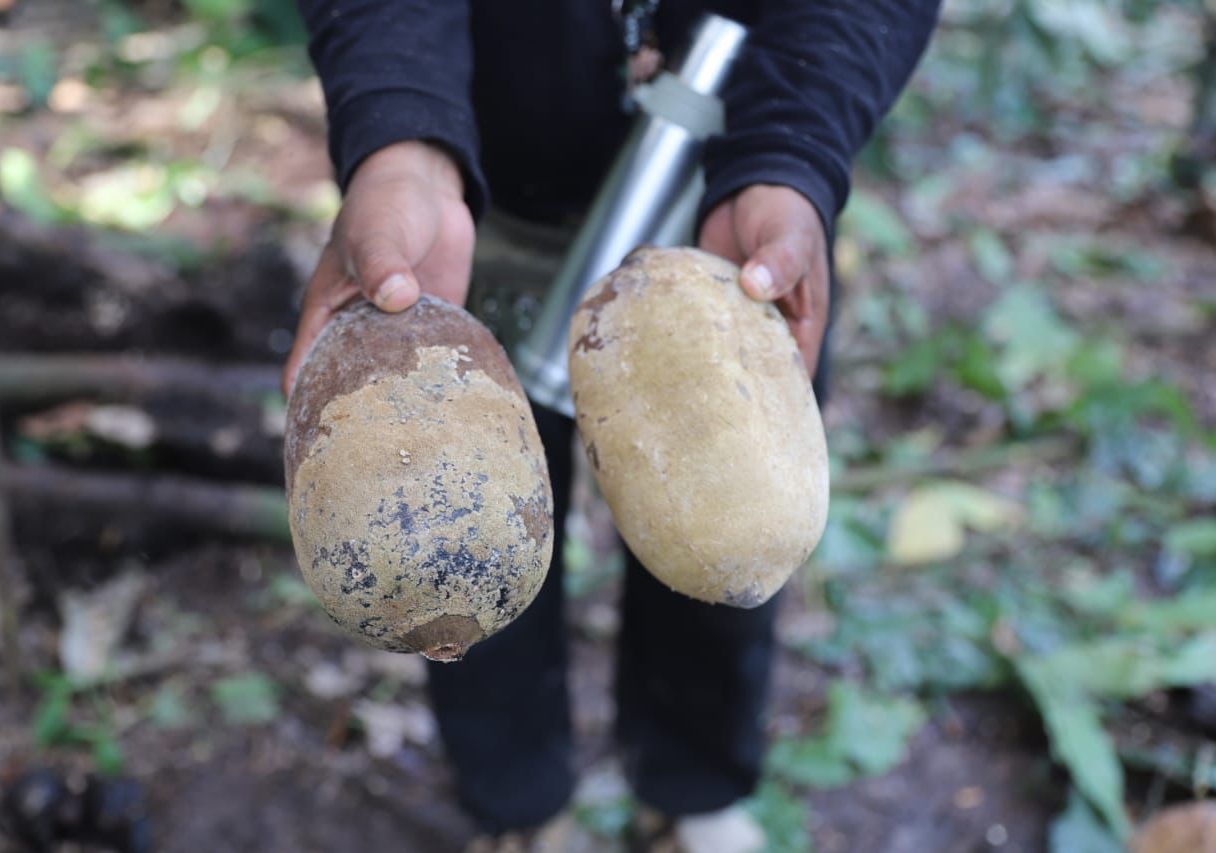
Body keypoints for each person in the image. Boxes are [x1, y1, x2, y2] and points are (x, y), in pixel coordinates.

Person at [285, 2, 940, 849]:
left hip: (736, 192)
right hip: (476, 193)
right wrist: (399, 134)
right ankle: (517, 806)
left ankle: (693, 788)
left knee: (731, 532)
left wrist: (796, 150)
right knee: (457, 540)